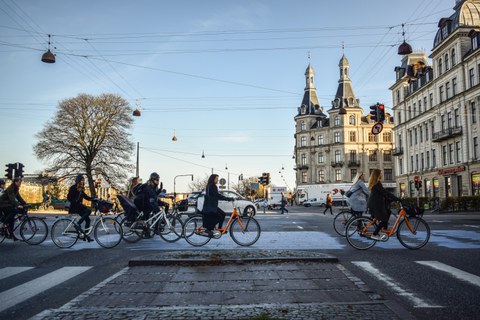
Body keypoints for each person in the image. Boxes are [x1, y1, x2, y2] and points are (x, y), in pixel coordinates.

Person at [367, 169, 402, 241]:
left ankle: (384, 231)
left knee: (388, 212)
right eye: (381, 173)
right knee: (383, 219)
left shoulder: (376, 183)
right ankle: (374, 234)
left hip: (375, 204)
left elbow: (383, 194)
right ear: (377, 175)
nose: (382, 175)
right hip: (375, 205)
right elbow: (385, 193)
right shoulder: (377, 184)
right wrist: (397, 199)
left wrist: (391, 199)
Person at [67, 174, 95, 241]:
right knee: (88, 210)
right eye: (81, 180)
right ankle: (78, 223)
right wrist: (75, 202)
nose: (82, 181)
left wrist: (94, 199)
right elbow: (68, 197)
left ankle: (85, 236)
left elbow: (86, 197)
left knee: (88, 220)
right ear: (78, 181)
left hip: (79, 207)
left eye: (83, 180)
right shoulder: (73, 188)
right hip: (73, 207)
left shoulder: (81, 189)